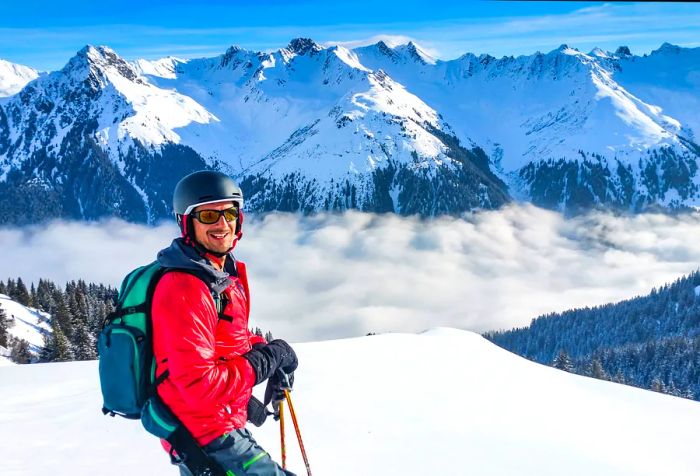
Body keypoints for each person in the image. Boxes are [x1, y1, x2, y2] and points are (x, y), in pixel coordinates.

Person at [151, 170, 298, 476]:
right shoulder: (185, 287)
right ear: (187, 222)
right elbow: (198, 385)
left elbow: (227, 340)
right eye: (208, 215)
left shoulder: (217, 275)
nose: (222, 224)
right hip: (206, 434)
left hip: (218, 424)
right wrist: (267, 360)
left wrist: (269, 352)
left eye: (229, 213)